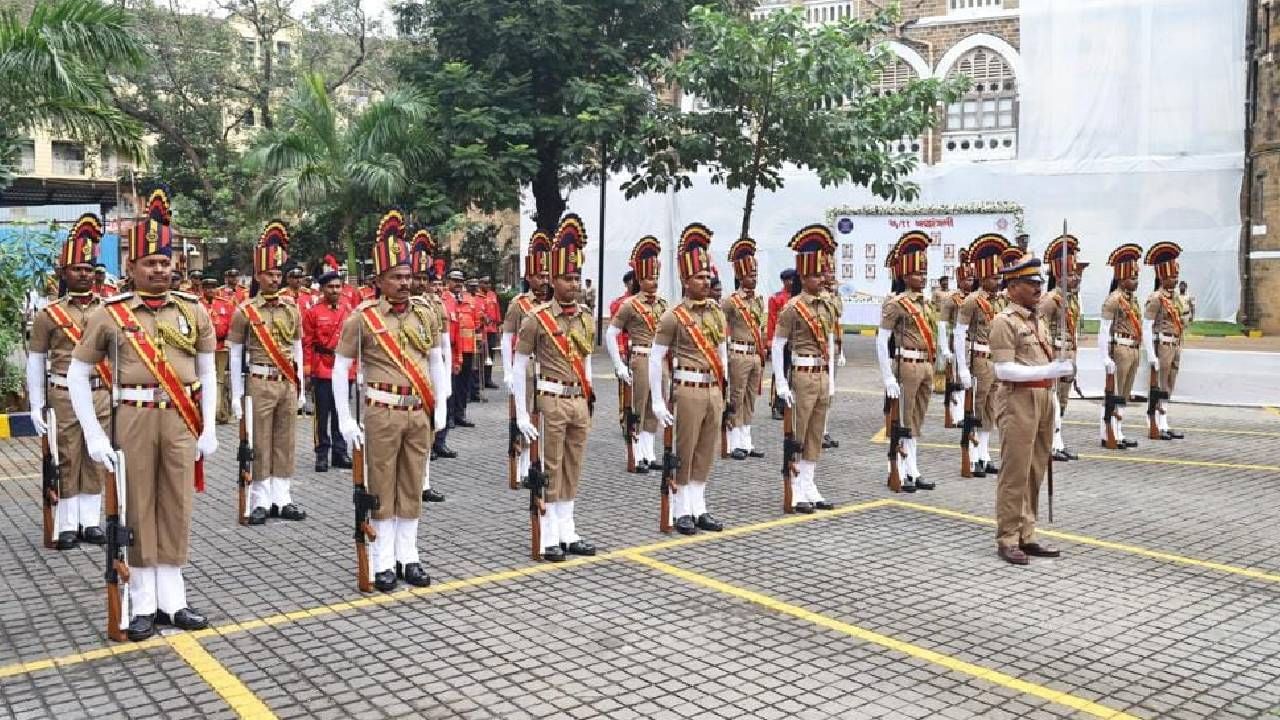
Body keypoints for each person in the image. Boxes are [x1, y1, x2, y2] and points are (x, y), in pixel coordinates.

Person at [69, 188, 217, 639]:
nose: (159, 269)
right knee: (136, 509)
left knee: (176, 505)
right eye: (150, 263)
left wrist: (209, 426)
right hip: (130, 417)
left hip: (178, 419)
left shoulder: (193, 310)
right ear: (130, 267)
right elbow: (78, 374)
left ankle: (175, 601)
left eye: (165, 261)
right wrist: (94, 435)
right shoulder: (110, 315)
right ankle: (142, 604)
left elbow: (209, 374)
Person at [333, 209, 448, 591]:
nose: (404, 282)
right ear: (379, 279)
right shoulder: (362, 318)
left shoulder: (425, 313)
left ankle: (408, 556)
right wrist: (346, 420)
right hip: (381, 410)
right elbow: (340, 369)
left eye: (408, 275)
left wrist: (442, 405)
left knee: (412, 484)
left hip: (418, 410)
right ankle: (383, 561)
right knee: (380, 485)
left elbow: (435, 359)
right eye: (396, 277)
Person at [513, 214, 598, 560]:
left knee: (573, 465)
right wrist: (521, 413)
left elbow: (587, 358)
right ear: (553, 281)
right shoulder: (537, 318)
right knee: (550, 466)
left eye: (576, 277)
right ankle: (548, 535)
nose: (573, 284)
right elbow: (519, 367)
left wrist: (590, 393)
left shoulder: (586, 317)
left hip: (578, 398)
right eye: (566, 277)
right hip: (550, 398)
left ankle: (568, 529)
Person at [27, 214, 111, 549]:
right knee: (66, 458)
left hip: (99, 393)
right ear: (64, 273)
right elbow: (35, 361)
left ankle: (90, 523)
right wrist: (35, 405)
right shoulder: (49, 315)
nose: (83, 274)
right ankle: (66, 525)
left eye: (88, 269)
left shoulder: (110, 310)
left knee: (95, 458)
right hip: (63, 395)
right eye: (77, 269)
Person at [990, 251, 1073, 565]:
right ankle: (1008, 538)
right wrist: (1050, 371)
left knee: (1036, 470)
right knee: (1015, 472)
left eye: (1039, 282)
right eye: (1030, 283)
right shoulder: (1004, 321)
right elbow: (1004, 371)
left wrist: (1060, 370)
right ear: (1012, 288)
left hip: (1043, 398)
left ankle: (1027, 533)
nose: (1038, 288)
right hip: (1018, 400)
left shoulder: (1038, 320)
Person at [650, 223, 729, 534]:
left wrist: (725, 390)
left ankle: (700, 506)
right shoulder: (673, 315)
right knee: (685, 449)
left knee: (706, 449)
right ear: (685, 280)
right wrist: (658, 400)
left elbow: (722, 352)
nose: (706, 280)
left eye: (708, 275)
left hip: (712, 389)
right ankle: (680, 508)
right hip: (688, 387)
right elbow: (655, 357)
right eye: (699, 276)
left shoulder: (716, 312)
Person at [228, 220, 307, 525]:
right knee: (259, 442)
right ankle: (260, 499)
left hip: (286, 381)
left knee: (285, 440)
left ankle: (282, 497)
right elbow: (235, 355)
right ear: (258, 276)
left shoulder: (291, 308)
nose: (275, 279)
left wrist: (301, 387)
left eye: (278, 274)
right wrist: (236, 395)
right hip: (259, 380)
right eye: (269, 274)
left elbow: (298, 348)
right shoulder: (245, 310)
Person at [772, 225, 840, 512]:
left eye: (821, 274)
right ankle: (796, 487)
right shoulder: (792, 307)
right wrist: (781, 384)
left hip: (822, 372)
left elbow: (831, 339)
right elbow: (778, 345)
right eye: (814, 275)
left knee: (816, 431)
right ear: (802, 277)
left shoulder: (827, 305)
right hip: (801, 372)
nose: (820, 279)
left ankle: (810, 483)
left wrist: (832, 378)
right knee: (798, 432)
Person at [876, 231, 938, 492]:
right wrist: (888, 377)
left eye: (924, 273)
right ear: (904, 275)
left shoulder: (926, 302)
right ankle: (898, 471)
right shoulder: (897, 303)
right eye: (917, 273)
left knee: (916, 420)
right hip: (906, 363)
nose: (922, 278)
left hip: (925, 365)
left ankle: (913, 469)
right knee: (901, 420)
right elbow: (881, 340)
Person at [607, 236, 669, 472]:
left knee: (656, 405)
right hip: (641, 358)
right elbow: (610, 334)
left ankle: (650, 454)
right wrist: (619, 365)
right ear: (639, 279)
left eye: (656, 277)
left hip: (659, 360)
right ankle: (636, 455)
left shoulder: (663, 304)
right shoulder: (630, 304)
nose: (653, 282)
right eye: (649, 278)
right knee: (638, 407)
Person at [955, 235, 1010, 477]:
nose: (997, 281)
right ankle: (973, 454)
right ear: (982, 277)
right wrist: (963, 369)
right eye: (993, 277)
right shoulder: (971, 301)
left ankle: (985, 454)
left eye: (999, 276)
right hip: (978, 358)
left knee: (991, 409)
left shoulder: (1001, 301)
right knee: (976, 408)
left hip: (996, 360)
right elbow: (959, 334)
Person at [501, 230, 554, 480]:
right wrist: (509, 372)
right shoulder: (519, 303)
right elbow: (506, 337)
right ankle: (522, 466)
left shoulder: (554, 305)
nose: (544, 280)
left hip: (549, 369)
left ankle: (539, 460)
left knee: (547, 416)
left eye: (547, 275)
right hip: (527, 368)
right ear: (528, 277)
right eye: (539, 275)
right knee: (524, 416)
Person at [1039, 234, 1085, 462]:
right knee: (1053, 400)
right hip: (1055, 353)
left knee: (1063, 401)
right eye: (1071, 274)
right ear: (1059, 275)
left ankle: (1059, 441)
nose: (1075, 278)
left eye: (1076, 274)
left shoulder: (1073, 299)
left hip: (1068, 354)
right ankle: (1050, 443)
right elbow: (1041, 328)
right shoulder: (1050, 299)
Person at [303, 269, 355, 473]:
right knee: (322, 415)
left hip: (343, 368)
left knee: (341, 411)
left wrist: (356, 368)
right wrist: (308, 370)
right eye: (330, 287)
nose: (335, 290)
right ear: (323, 289)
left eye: (338, 287)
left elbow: (355, 341)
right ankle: (322, 453)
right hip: (322, 367)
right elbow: (307, 342)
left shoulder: (349, 311)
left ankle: (340, 452)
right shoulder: (313, 312)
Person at [410, 228, 448, 501]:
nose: (421, 283)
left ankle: (423, 482)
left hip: (427, 375)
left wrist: (443, 382)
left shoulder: (434, 306)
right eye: (416, 277)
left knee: (425, 436)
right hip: (403, 379)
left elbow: (443, 345)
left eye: (425, 278)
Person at [722, 237, 766, 460]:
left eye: (755, 275)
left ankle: (746, 440)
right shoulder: (730, 302)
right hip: (738, 352)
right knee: (736, 397)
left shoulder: (758, 300)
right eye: (750, 275)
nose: (754, 279)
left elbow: (761, 327)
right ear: (740, 277)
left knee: (750, 398)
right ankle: (733, 442)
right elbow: (720, 328)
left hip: (754, 354)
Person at [1099, 243, 1145, 449]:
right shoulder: (1114, 300)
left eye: (1136, 277)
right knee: (1114, 392)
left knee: (1124, 394)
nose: (1136, 282)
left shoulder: (1132, 300)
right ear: (1121, 278)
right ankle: (1107, 432)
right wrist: (1105, 358)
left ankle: (1118, 430)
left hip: (1133, 348)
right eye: (1132, 278)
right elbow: (1103, 330)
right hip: (1119, 347)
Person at [1143, 242, 1187, 440]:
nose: (1175, 280)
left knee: (1169, 385)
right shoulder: (1156, 298)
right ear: (1161, 277)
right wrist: (1151, 355)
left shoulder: (1176, 298)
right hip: (1162, 344)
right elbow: (1146, 325)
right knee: (1159, 386)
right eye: (1171, 276)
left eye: (1176, 276)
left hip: (1175, 343)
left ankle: (1164, 422)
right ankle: (1154, 421)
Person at [939, 251, 973, 426]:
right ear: (960, 281)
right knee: (958, 378)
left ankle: (968, 410)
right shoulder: (953, 299)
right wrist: (945, 349)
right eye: (967, 279)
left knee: (970, 376)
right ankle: (957, 415)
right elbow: (942, 324)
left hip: (972, 341)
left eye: (972, 279)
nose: (970, 282)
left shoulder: (976, 299)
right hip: (957, 340)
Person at [198, 276, 234, 425]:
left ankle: (220, 411)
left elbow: (232, 324)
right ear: (203, 289)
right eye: (207, 288)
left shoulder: (225, 304)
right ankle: (203, 412)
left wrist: (228, 342)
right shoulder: (198, 305)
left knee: (220, 380)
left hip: (220, 347)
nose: (210, 290)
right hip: (203, 348)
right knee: (203, 379)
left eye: (212, 287)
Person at [446, 270, 479, 427]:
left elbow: (475, 323)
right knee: (451, 384)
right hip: (452, 350)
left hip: (467, 348)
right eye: (455, 280)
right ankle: (450, 416)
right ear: (448, 281)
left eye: (460, 281)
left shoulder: (469, 300)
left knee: (464, 384)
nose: (458, 283)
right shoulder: (444, 300)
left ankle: (461, 413)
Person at [767, 269, 798, 419]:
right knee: (780, 372)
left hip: (795, 342)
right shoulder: (777, 298)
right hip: (781, 341)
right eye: (788, 280)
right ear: (783, 281)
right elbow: (772, 320)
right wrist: (769, 340)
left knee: (794, 374)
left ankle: (789, 403)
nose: (790, 282)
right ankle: (776, 405)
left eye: (792, 279)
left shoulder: (798, 298)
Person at [479, 276, 502, 390]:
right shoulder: (478, 296)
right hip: (482, 330)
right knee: (481, 355)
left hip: (492, 329)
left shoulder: (492, 295)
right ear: (480, 283)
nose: (487, 285)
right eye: (485, 283)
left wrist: (498, 326)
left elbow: (497, 311)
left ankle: (488, 379)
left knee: (490, 355)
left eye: (489, 283)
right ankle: (480, 380)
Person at [608, 271, 636, 358]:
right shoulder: (619, 303)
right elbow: (616, 330)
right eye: (632, 281)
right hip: (627, 345)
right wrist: (621, 350)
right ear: (626, 284)